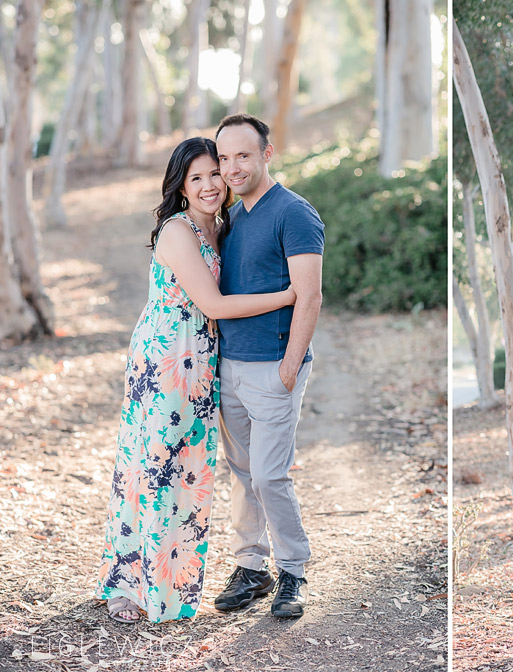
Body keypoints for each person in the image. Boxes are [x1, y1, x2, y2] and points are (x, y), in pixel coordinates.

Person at [96, 137, 298, 624]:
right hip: (167, 358)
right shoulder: (177, 231)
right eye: (197, 178)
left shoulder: (223, 227)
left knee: (189, 471)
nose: (210, 185)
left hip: (203, 359)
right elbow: (214, 305)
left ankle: (172, 582)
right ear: (181, 186)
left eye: (215, 174)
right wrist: (290, 295)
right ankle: (131, 585)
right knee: (151, 467)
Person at [212, 114, 324, 619]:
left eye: (243, 155)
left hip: (274, 366)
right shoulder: (230, 217)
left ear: (266, 154)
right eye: (224, 157)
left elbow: (310, 295)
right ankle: (251, 567)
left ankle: (293, 572)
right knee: (241, 473)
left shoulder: (294, 213)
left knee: (269, 475)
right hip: (229, 366)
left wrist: (290, 366)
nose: (233, 167)